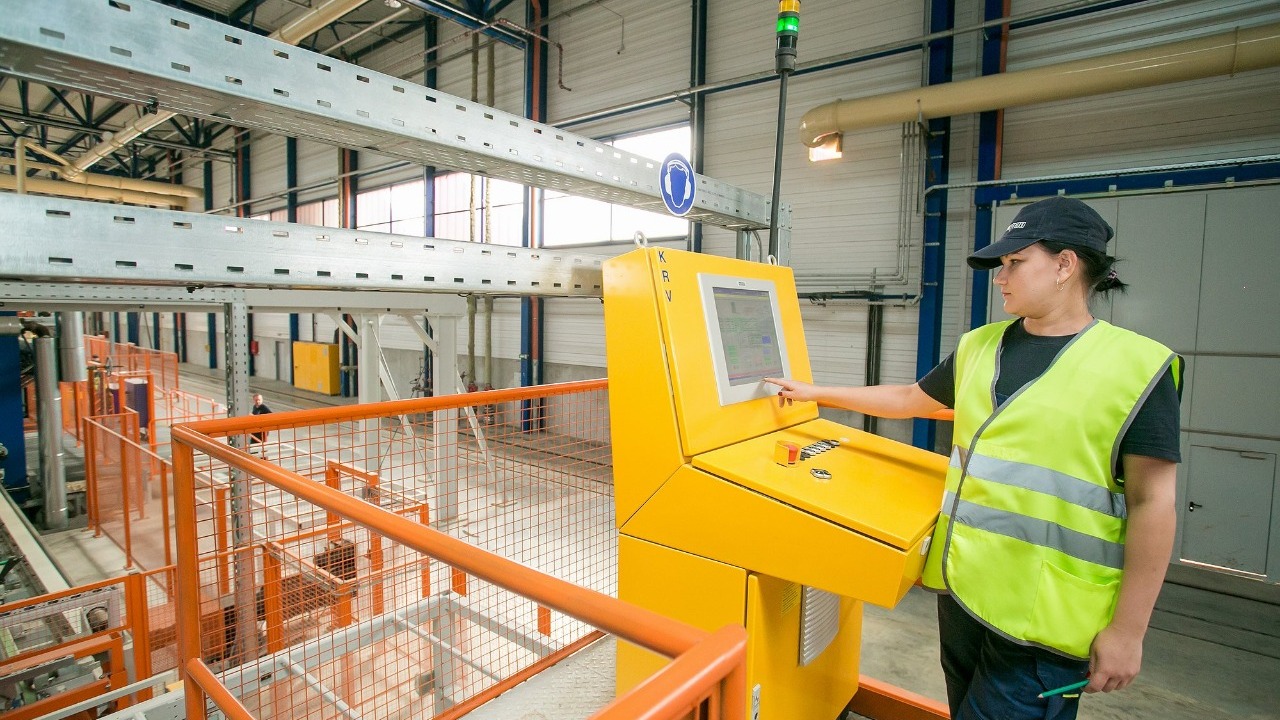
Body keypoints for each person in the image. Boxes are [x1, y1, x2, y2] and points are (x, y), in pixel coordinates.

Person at [767, 196, 1181, 720]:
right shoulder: (980, 346)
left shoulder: (1138, 368)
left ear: (1064, 265)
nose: (1000, 278)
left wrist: (1128, 631)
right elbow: (910, 398)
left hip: (1045, 623)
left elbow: (1153, 502)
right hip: (963, 594)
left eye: (1015, 262)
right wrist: (814, 392)